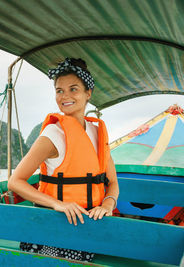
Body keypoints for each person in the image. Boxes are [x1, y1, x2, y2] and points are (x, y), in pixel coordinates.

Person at [8, 57, 119, 262]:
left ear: (88, 93)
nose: (64, 96)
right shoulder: (53, 134)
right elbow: (15, 181)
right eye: (59, 91)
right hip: (51, 228)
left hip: (87, 227)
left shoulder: (97, 133)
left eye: (73, 89)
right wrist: (58, 204)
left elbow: (112, 182)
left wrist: (107, 206)